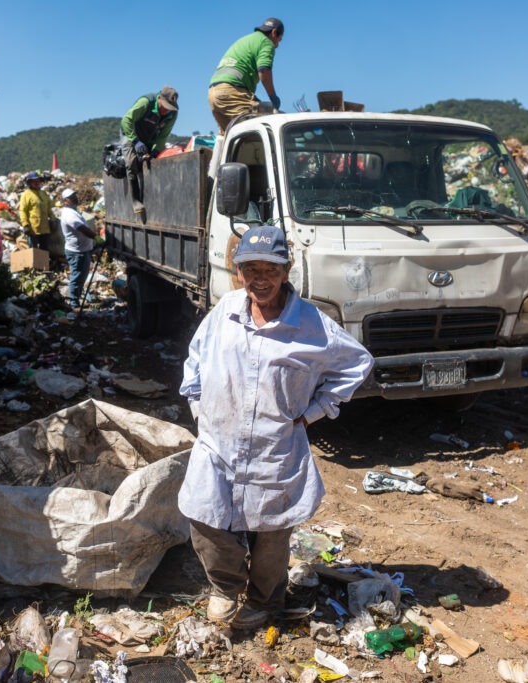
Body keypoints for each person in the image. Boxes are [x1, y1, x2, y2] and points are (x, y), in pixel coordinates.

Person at [177, 225, 374, 631]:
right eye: (251, 269)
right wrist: (200, 406)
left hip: (275, 445)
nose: (260, 279)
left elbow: (357, 364)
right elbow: (195, 359)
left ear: (286, 272)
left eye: (271, 269)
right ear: (239, 273)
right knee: (204, 516)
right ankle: (226, 587)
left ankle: (265, 602)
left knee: (272, 534)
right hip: (218, 441)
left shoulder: (311, 325)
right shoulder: (225, 311)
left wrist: (317, 410)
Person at [208, 17, 284, 135]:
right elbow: (264, 71)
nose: (277, 45)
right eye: (279, 40)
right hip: (232, 92)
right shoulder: (266, 42)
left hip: (214, 92)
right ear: (274, 33)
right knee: (257, 131)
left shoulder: (247, 39)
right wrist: (273, 97)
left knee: (227, 137)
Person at [120, 86, 179, 214]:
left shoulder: (172, 114)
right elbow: (126, 120)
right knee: (132, 162)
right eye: (164, 107)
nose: (166, 111)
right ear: (159, 98)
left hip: (149, 139)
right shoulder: (146, 102)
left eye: (169, 109)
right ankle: (135, 199)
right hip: (131, 135)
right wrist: (135, 141)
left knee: (154, 161)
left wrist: (155, 151)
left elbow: (163, 136)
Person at [58, 188, 98, 308]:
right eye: (72, 197)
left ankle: (76, 299)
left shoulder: (73, 211)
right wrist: (97, 238)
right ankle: (74, 303)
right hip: (77, 252)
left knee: (81, 276)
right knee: (77, 277)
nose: (75, 198)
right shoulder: (68, 214)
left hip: (81, 250)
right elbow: (82, 229)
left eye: (75, 195)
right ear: (65, 201)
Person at [17, 171, 56, 250]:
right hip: (33, 230)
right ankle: (35, 263)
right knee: (34, 252)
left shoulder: (43, 194)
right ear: (29, 182)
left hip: (45, 229)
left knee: (44, 251)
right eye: (34, 181)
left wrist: (53, 219)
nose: (36, 182)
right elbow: (22, 211)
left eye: (38, 180)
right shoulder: (26, 194)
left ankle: (43, 262)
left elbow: (48, 209)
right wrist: (25, 225)